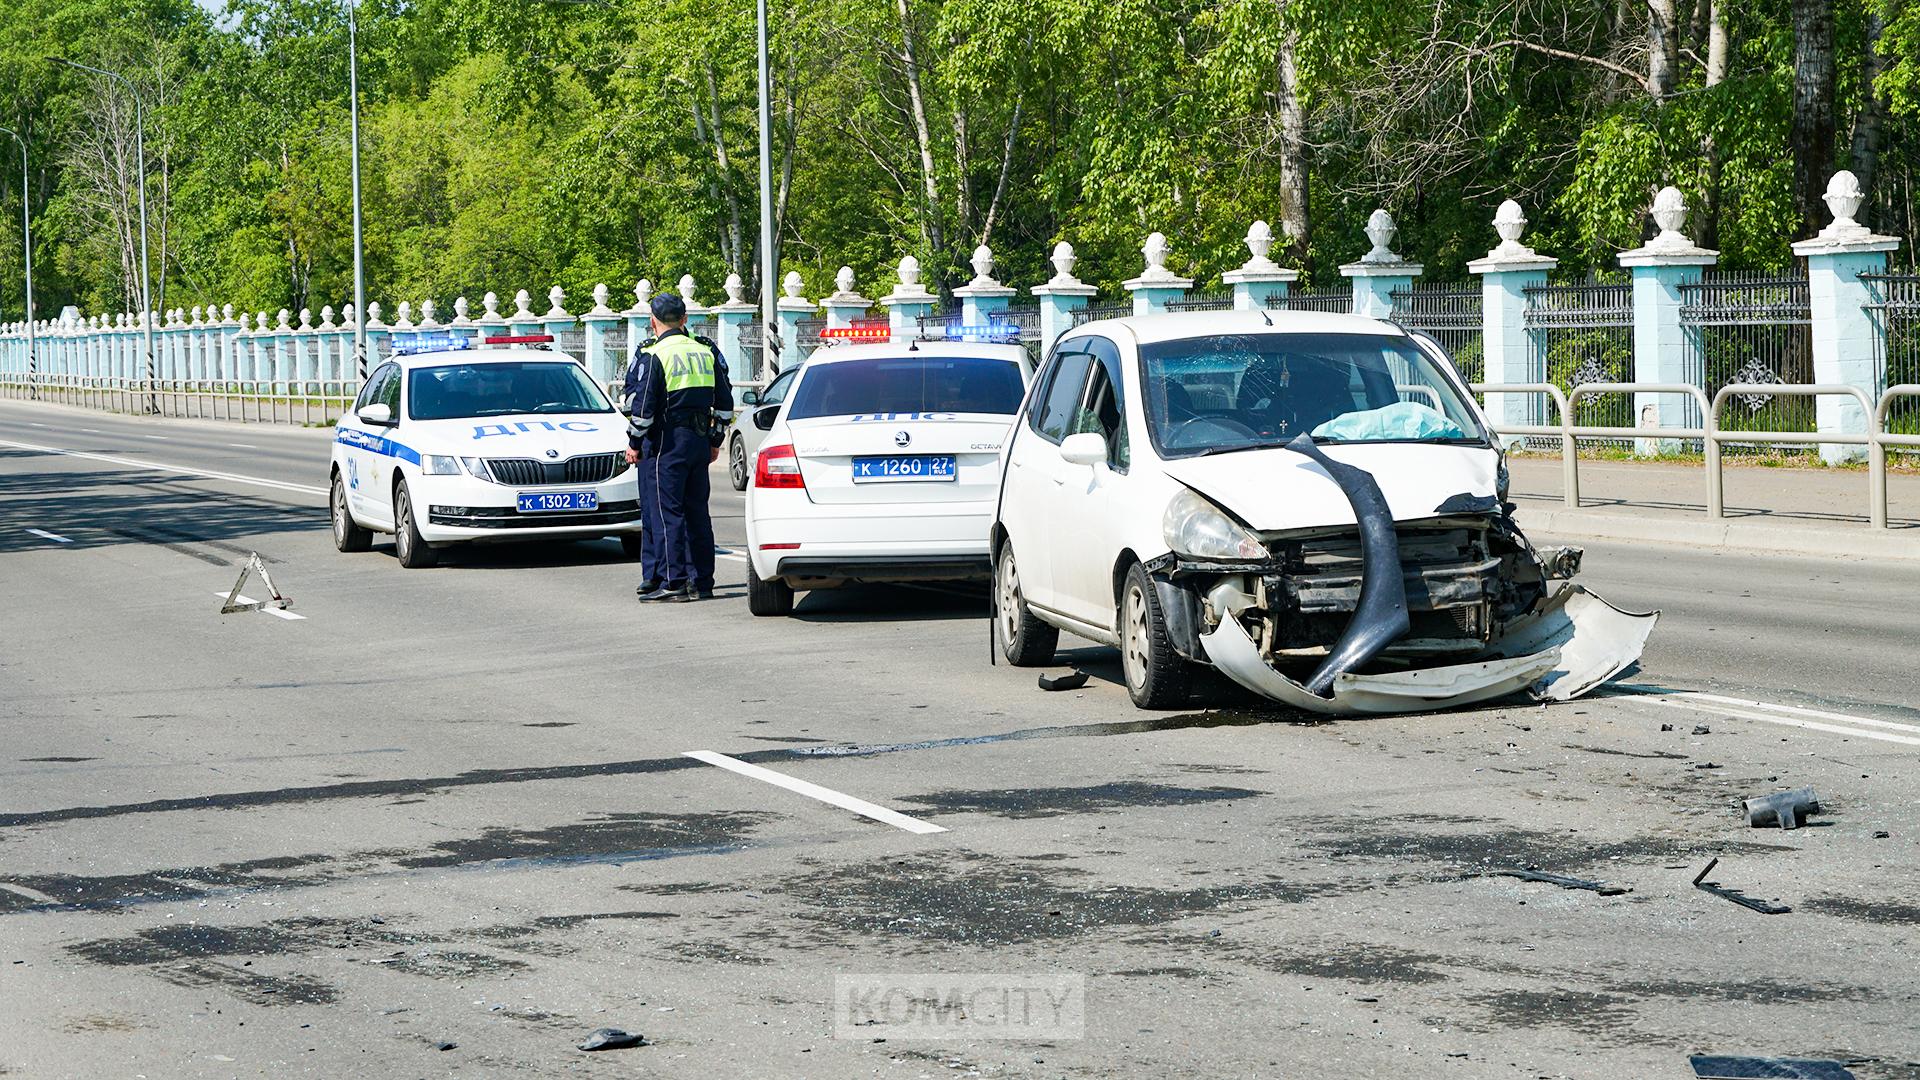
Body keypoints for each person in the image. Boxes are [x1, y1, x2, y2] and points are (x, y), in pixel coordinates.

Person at [626, 293, 732, 602]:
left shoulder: (657, 354)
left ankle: (673, 582)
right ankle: (703, 582)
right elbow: (725, 404)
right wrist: (714, 440)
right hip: (698, 440)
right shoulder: (704, 351)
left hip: (666, 442)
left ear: (653, 322)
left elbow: (643, 409)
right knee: (698, 513)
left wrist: (634, 442)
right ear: (684, 319)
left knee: (667, 512)